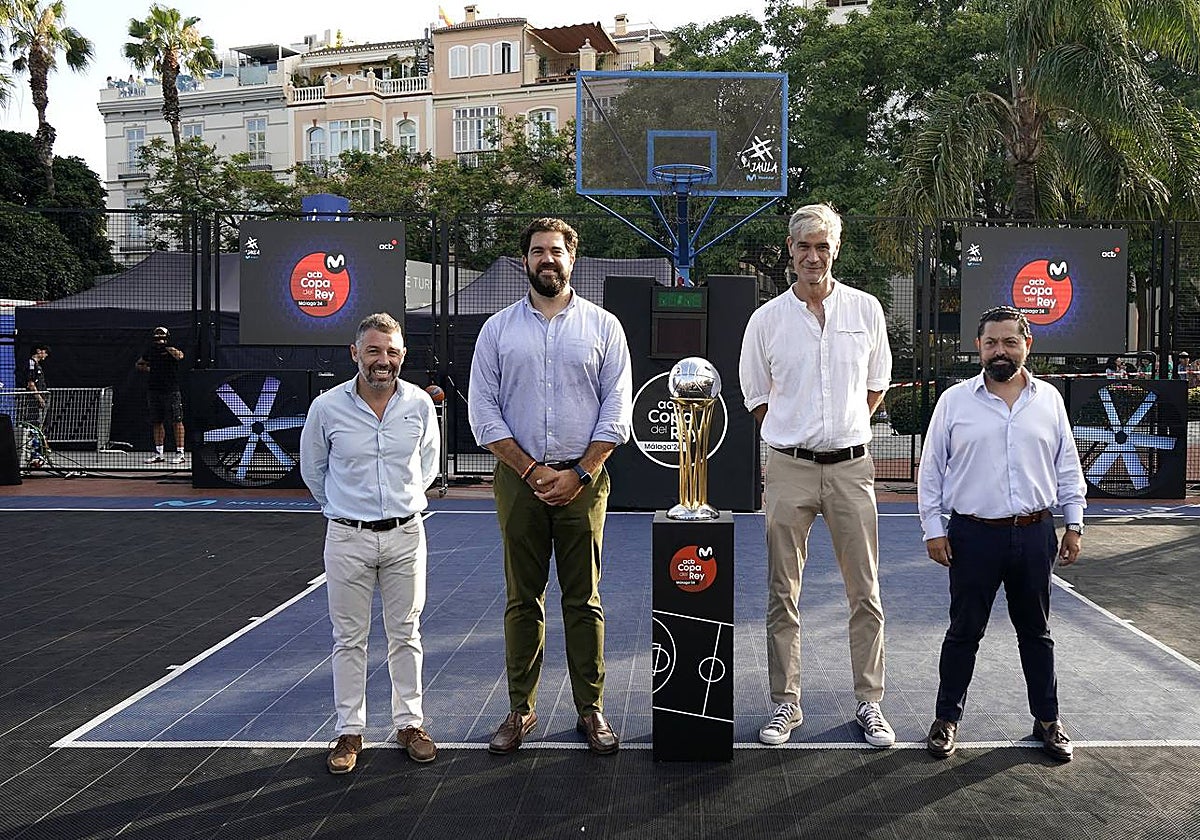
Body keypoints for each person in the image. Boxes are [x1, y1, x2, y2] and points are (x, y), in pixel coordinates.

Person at [468, 217, 632, 756]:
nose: (547, 259)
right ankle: (521, 709)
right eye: (537, 251)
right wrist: (530, 470)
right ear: (525, 262)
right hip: (520, 482)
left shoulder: (605, 327)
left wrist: (580, 471)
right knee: (523, 599)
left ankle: (592, 710)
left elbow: (616, 411)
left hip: (584, 481)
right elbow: (483, 412)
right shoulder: (496, 330)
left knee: (583, 599)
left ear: (572, 259)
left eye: (556, 251)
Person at [738, 203, 895, 748]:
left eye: (822, 246)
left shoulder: (867, 310)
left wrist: (839, 434)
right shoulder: (766, 321)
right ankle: (786, 704)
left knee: (865, 592)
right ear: (790, 250)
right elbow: (757, 396)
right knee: (783, 592)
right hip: (788, 470)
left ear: (836, 250)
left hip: (853, 468)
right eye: (804, 246)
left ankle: (869, 702)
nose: (813, 256)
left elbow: (876, 387)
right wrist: (798, 435)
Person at [917, 306, 1086, 762]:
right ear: (978, 347)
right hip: (973, 536)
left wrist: (1073, 523)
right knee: (963, 632)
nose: (1000, 350)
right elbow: (930, 471)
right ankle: (946, 719)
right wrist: (934, 529)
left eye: (1010, 342)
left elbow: (1066, 466)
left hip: (1034, 535)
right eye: (991, 342)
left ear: (1027, 345)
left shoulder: (1048, 399)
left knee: (1037, 633)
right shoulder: (954, 402)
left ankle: (1048, 720)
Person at [300, 312, 441, 774]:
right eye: (375, 351)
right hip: (346, 538)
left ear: (403, 355)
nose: (384, 360)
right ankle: (349, 731)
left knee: (407, 633)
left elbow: (427, 466)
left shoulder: (419, 404)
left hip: (406, 535)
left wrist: (401, 506)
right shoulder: (326, 407)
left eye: (392, 352)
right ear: (355, 353)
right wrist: (345, 509)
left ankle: (409, 724)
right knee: (349, 639)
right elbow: (313, 471)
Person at [135, 326, 186, 464]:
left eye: (161, 335)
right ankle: (159, 453)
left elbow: (180, 356)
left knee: (177, 420)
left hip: (171, 390)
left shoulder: (171, 349)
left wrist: (167, 347)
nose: (159, 337)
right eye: (157, 335)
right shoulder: (151, 351)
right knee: (157, 421)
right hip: (154, 390)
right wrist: (151, 369)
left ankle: (180, 453)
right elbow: (139, 364)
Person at [24, 345, 49, 423]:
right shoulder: (31, 363)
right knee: (35, 421)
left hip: (42, 397)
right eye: (45, 352)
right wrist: (39, 398)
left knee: (43, 421)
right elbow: (31, 383)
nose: (46, 355)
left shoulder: (38, 365)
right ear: (38, 351)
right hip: (34, 400)